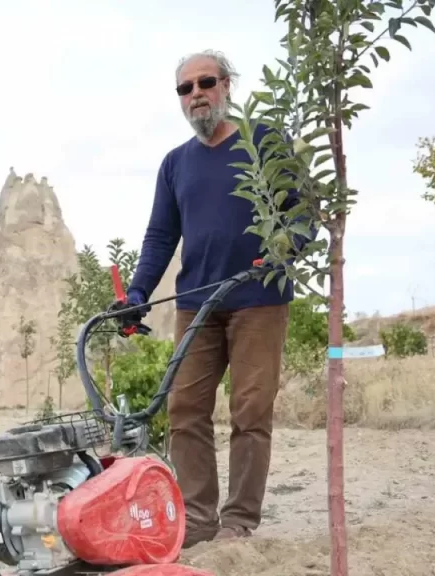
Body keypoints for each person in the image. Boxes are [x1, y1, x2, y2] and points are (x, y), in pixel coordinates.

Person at [117, 50, 311, 548]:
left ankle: (239, 520)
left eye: (205, 82)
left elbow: (303, 211)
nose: (196, 93)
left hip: (259, 300)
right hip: (196, 305)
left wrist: (282, 253)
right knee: (185, 409)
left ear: (227, 86)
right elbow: (161, 235)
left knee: (250, 410)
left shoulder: (264, 141)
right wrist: (138, 293)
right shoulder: (175, 163)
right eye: (185, 88)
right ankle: (200, 519)